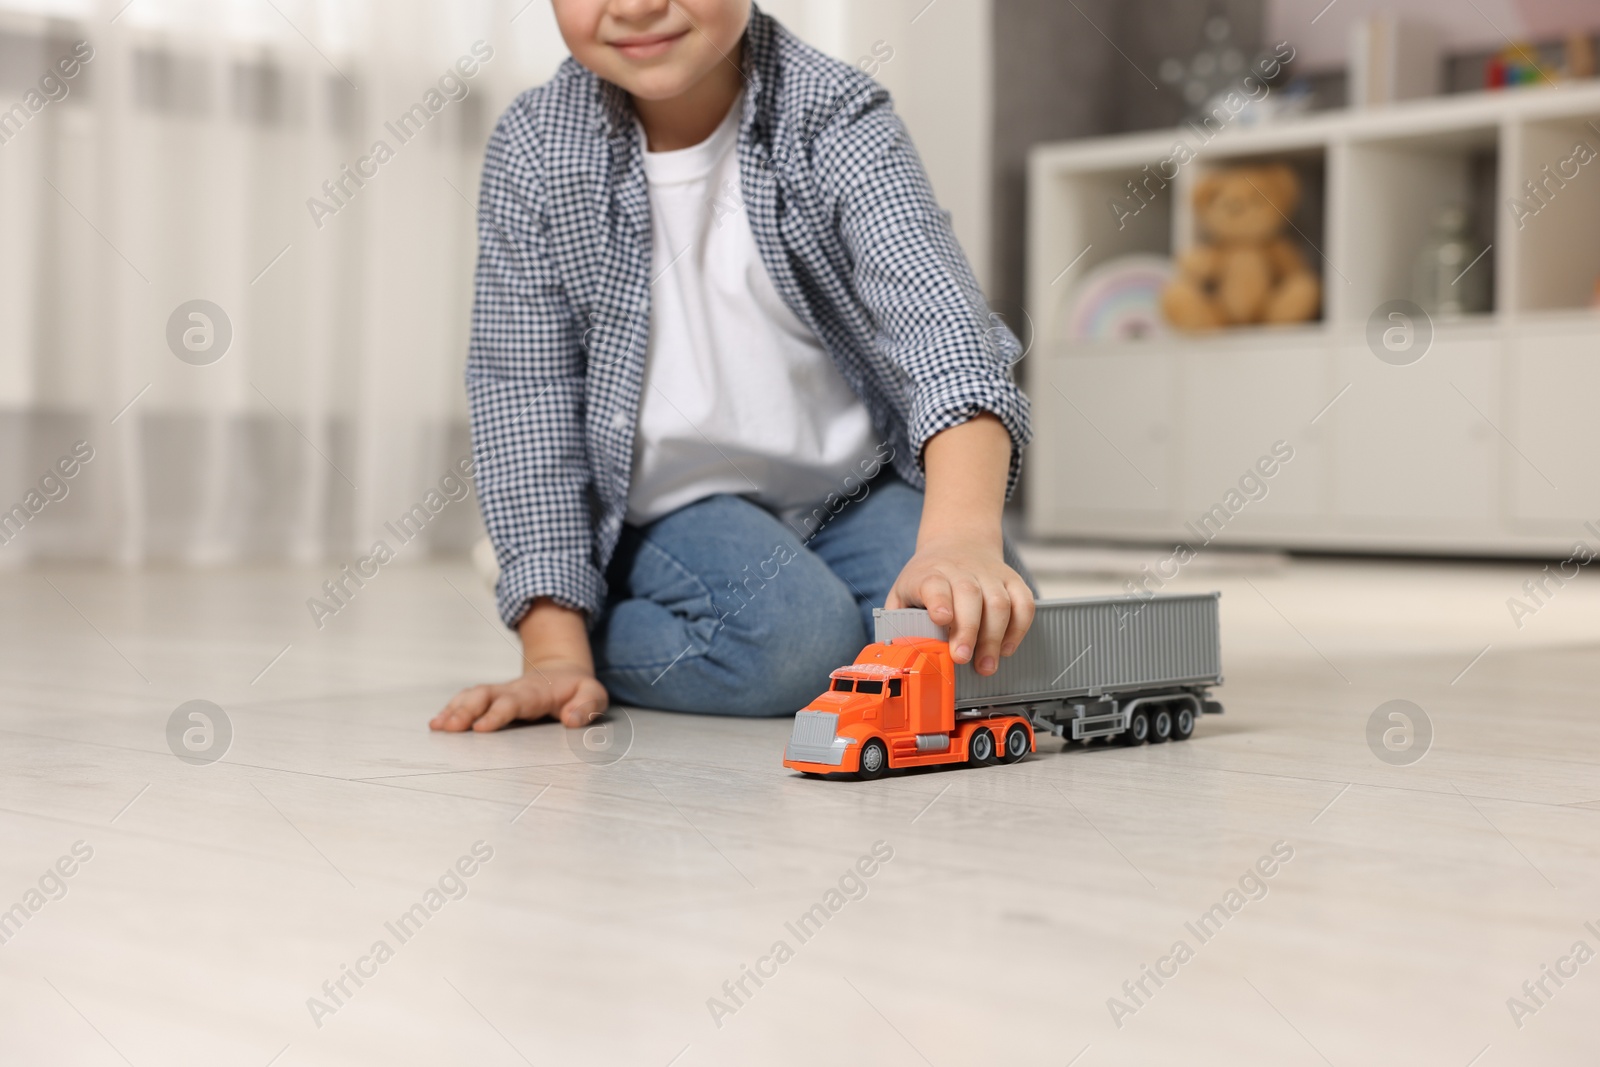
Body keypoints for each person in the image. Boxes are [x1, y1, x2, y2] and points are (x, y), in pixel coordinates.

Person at [431, 0, 1034, 733]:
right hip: (669, 505)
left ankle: (840, 605)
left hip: (845, 489)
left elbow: (942, 328)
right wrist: (554, 653)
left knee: (976, 636)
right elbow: (524, 398)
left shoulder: (835, 115)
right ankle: (570, 596)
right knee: (795, 644)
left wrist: (960, 539)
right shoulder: (535, 149)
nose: (635, 5)